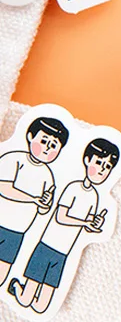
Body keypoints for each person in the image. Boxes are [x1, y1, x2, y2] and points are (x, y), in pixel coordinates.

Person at [8, 138, 119, 314]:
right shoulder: (73, 188)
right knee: (25, 300)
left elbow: (86, 225)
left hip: (63, 253)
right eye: (99, 163)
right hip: (46, 248)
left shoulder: (94, 196)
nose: (101, 170)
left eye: (107, 167)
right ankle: (15, 286)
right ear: (87, 160)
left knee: (41, 306)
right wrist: (85, 222)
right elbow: (61, 217)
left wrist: (92, 225)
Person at [0, 117, 68, 287]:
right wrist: (33, 199)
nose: (47, 148)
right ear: (30, 136)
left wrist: (44, 204)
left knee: (2, 272)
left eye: (53, 146)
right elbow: (4, 188)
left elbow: (43, 211)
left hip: (17, 232)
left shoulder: (48, 176)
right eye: (44, 141)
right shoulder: (13, 158)